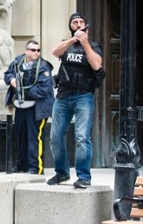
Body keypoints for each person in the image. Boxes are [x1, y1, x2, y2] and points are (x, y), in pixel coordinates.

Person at [47, 12, 104, 189]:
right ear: (70, 26)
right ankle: (62, 172)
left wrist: (85, 43)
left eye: (81, 22)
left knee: (81, 137)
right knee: (55, 137)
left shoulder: (93, 46)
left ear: (86, 26)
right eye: (74, 22)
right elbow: (55, 51)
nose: (78, 25)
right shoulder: (66, 44)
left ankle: (84, 176)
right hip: (63, 96)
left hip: (83, 96)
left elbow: (96, 65)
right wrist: (73, 40)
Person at [4, 40, 55, 174]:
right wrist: (12, 80)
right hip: (21, 105)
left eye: (38, 50)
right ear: (26, 51)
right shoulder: (17, 62)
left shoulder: (43, 67)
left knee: (34, 138)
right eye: (33, 50)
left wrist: (23, 88)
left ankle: (35, 167)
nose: (36, 53)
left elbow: (43, 90)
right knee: (21, 136)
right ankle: (22, 165)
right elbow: (7, 74)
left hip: (37, 108)